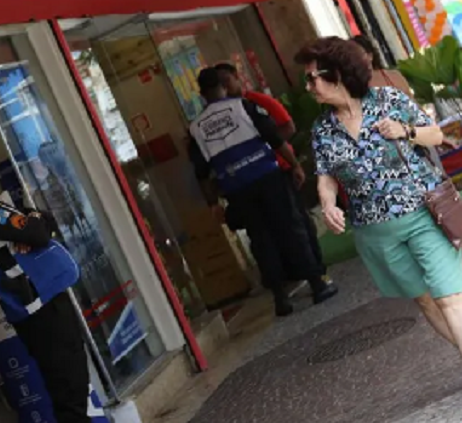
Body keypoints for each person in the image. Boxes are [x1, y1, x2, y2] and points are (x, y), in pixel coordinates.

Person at [0, 150, 149, 423]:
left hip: (41, 302)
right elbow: (39, 229)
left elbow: (40, 221)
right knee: (67, 381)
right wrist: (32, 228)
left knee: (73, 377)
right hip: (38, 309)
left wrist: (33, 225)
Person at [296, 38, 462, 356]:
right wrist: (329, 205)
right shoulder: (322, 129)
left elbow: (436, 134)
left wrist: (406, 131)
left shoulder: (388, 100)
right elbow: (326, 176)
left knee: (449, 298)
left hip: (422, 214)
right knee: (426, 301)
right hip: (376, 232)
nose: (308, 87)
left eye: (312, 78)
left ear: (337, 74)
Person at [188, 68, 337, 316]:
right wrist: (295, 164)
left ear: (201, 94)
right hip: (268, 178)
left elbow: (202, 173)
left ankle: (280, 299)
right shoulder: (243, 106)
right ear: (222, 87)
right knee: (291, 229)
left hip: (237, 189)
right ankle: (317, 284)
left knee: (261, 240)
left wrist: (213, 203)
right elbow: (274, 138)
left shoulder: (195, 129)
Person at [214, 63, 327, 274]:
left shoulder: (256, 101)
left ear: (236, 77)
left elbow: (288, 127)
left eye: (226, 81)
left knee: (296, 220)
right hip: (253, 178)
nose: (224, 88)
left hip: (279, 168)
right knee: (271, 229)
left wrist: (266, 147)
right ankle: (292, 270)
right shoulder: (224, 116)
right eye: (219, 84)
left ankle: (316, 266)